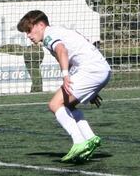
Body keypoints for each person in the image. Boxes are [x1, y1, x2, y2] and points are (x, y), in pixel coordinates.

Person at [17, 10, 111, 162]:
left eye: (29, 30)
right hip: (101, 69)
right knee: (68, 106)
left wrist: (65, 75)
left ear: (40, 25)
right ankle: (90, 137)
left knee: (55, 104)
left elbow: (62, 50)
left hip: (91, 70)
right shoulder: (59, 31)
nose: (28, 35)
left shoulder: (49, 35)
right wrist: (92, 90)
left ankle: (79, 142)